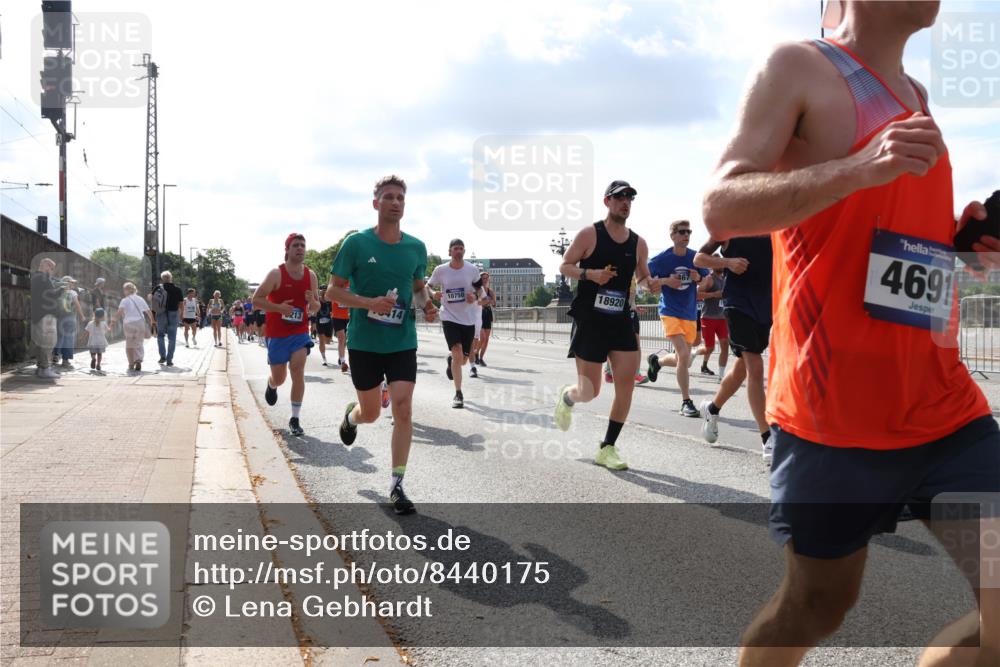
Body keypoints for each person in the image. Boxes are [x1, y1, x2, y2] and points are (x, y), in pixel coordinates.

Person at [701, 3, 1000, 665]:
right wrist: (860, 167)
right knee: (817, 604)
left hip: (943, 406)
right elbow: (721, 205)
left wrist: (957, 243)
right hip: (833, 416)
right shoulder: (798, 65)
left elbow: (878, 242)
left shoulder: (915, 95)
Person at [328, 175, 438, 515]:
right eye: (388, 197)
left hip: (402, 340)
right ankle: (352, 416)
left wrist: (427, 304)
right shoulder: (356, 244)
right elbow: (332, 291)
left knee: (403, 409)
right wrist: (368, 303)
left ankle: (396, 484)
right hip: (365, 341)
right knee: (372, 413)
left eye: (400, 197)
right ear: (376, 203)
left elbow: (418, 288)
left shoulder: (416, 247)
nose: (395, 202)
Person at [553, 180, 654, 471]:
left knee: (626, 387)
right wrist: (590, 274)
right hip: (590, 320)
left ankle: (607, 447)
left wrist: (655, 284)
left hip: (620, 320)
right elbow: (565, 266)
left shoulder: (639, 243)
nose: (626, 202)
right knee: (590, 391)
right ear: (607, 201)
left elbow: (643, 278)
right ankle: (568, 397)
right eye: (620, 197)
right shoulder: (590, 234)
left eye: (630, 198)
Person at [696, 237, 773, 460]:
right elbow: (699, 258)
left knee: (743, 367)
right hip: (737, 304)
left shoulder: (775, 225)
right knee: (755, 366)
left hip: (764, 305)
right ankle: (768, 438)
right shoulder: (730, 225)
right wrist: (727, 262)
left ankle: (712, 408)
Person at [252, 233, 320, 437]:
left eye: (302, 245)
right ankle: (272, 384)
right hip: (277, 333)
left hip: (300, 332)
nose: (300, 248)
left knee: (298, 370)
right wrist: (279, 308)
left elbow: (316, 306)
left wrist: (312, 301)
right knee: (280, 377)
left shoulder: (311, 276)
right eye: (296, 245)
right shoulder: (276, 274)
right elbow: (256, 300)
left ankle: (295, 418)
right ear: (287, 250)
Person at [645, 220, 708, 417]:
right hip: (670, 311)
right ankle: (686, 402)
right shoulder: (661, 259)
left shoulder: (695, 257)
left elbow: (707, 280)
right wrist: (665, 281)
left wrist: (699, 279)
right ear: (672, 235)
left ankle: (657, 362)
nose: (686, 235)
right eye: (681, 232)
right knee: (683, 354)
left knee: (685, 360)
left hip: (689, 313)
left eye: (689, 231)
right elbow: (645, 281)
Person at [427, 239, 484, 408]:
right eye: (455, 248)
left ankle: (451, 360)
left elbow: (481, 291)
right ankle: (458, 394)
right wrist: (433, 294)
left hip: (468, 319)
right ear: (449, 251)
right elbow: (427, 286)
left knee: (463, 360)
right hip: (449, 316)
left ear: (464, 251)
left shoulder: (472, 270)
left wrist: (475, 296)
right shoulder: (441, 270)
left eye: (461, 248)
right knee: (457, 351)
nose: (458, 251)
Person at [30, 257, 61, 379]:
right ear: (46, 266)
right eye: (52, 268)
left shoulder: (35, 277)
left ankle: (41, 368)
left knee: (41, 342)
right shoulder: (43, 278)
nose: (52, 271)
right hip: (46, 315)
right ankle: (45, 368)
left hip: (39, 314)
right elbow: (51, 295)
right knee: (48, 342)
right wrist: (63, 289)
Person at [696, 266, 728, 379]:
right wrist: (714, 294)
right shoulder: (709, 279)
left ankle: (721, 376)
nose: (720, 266)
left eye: (721, 263)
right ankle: (693, 354)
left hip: (722, 318)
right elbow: (697, 294)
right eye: (717, 263)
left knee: (725, 345)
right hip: (708, 317)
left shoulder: (725, 279)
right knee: (709, 348)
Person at [113, 282, 152, 372]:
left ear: (126, 290)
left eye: (124, 290)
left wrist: (113, 321)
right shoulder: (140, 299)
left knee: (129, 344)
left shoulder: (124, 300)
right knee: (139, 342)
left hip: (128, 324)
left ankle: (131, 364)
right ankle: (138, 360)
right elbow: (148, 311)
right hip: (140, 323)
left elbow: (119, 312)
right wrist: (153, 321)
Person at [153, 271, 183, 366]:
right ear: (171, 278)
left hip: (161, 313)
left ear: (162, 279)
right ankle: (169, 360)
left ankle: (162, 357)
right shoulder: (177, 289)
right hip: (173, 313)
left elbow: (153, 301)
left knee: (160, 335)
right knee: (172, 337)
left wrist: (154, 315)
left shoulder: (158, 288)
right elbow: (181, 304)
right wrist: (181, 315)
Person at [55, 276, 85, 368]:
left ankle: (55, 355)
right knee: (68, 337)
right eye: (71, 282)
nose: (73, 284)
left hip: (59, 317)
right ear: (67, 283)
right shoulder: (72, 292)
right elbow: (77, 304)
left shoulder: (58, 292)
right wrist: (82, 316)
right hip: (69, 318)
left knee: (59, 336)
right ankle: (65, 360)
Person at [475, 272, 496, 366]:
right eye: (483, 278)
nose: (486, 280)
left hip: (487, 314)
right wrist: (486, 301)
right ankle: (475, 352)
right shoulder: (477, 290)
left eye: (487, 278)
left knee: (486, 339)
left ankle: (481, 358)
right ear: (480, 279)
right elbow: (477, 302)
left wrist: (490, 301)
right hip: (479, 314)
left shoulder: (490, 291)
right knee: (482, 337)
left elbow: (494, 304)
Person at [331, 289, 350, 372]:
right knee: (341, 338)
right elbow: (327, 296)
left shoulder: (352, 282)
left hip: (349, 316)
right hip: (337, 316)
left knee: (345, 340)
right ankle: (343, 362)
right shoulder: (335, 283)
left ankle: (341, 356)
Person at [85, 307, 109, 372]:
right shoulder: (104, 323)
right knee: (99, 354)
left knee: (92, 352)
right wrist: (111, 325)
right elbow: (108, 330)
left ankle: (93, 358)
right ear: (103, 316)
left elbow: (86, 332)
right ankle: (98, 364)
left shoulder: (90, 323)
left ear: (94, 315)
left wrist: (82, 338)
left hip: (92, 341)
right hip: (101, 341)